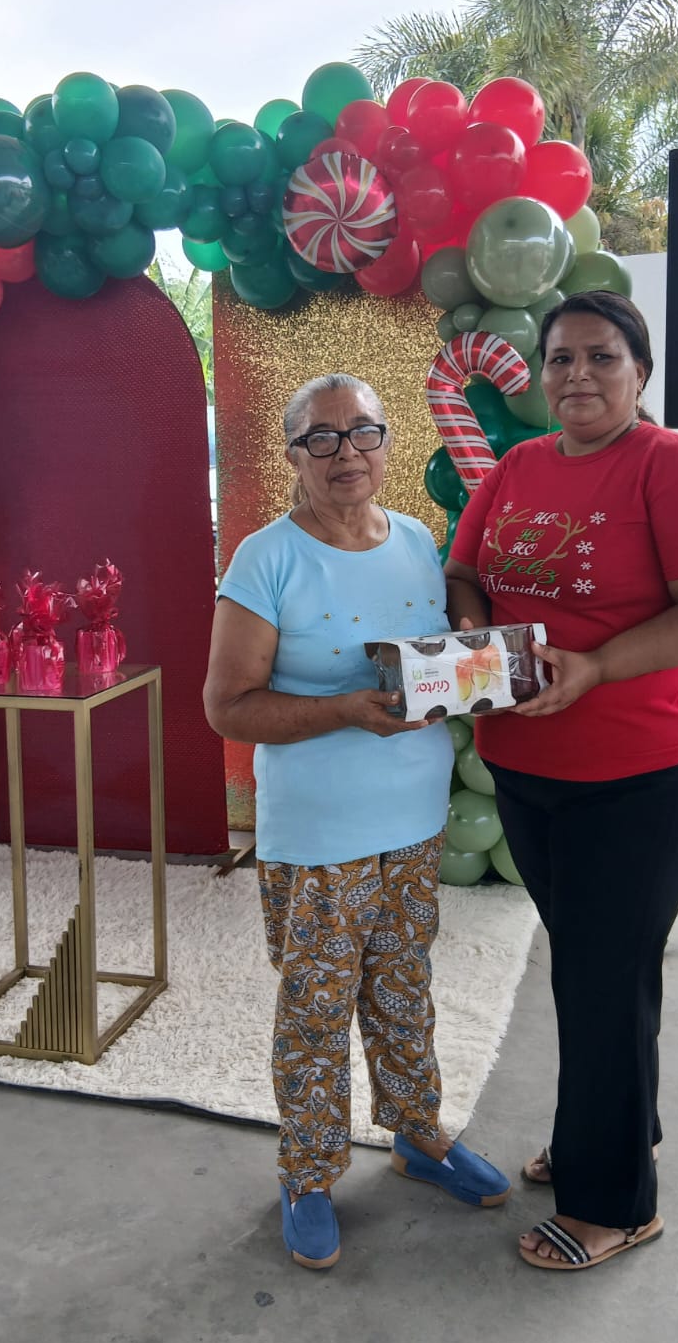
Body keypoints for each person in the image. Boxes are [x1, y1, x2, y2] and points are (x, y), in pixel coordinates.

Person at [444, 291, 678, 1273]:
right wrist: (472, 633)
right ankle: (616, 1130)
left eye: (602, 356)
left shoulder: (676, 470)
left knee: (600, 974)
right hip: (526, 768)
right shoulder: (520, 468)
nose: (577, 373)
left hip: (642, 775)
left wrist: (596, 666)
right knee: (597, 967)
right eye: (560, 358)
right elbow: (465, 570)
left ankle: (614, 1203)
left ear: (640, 372)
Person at [203, 372, 509, 1271]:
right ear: (293, 455)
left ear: (387, 441)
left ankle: (417, 1134)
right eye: (323, 438)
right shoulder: (266, 558)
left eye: (363, 432)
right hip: (319, 835)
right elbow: (227, 706)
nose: (347, 454)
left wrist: (484, 671)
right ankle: (308, 1175)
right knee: (316, 1008)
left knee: (404, 985)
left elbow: (440, 663)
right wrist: (344, 711)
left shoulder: (415, 540)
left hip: (412, 820)